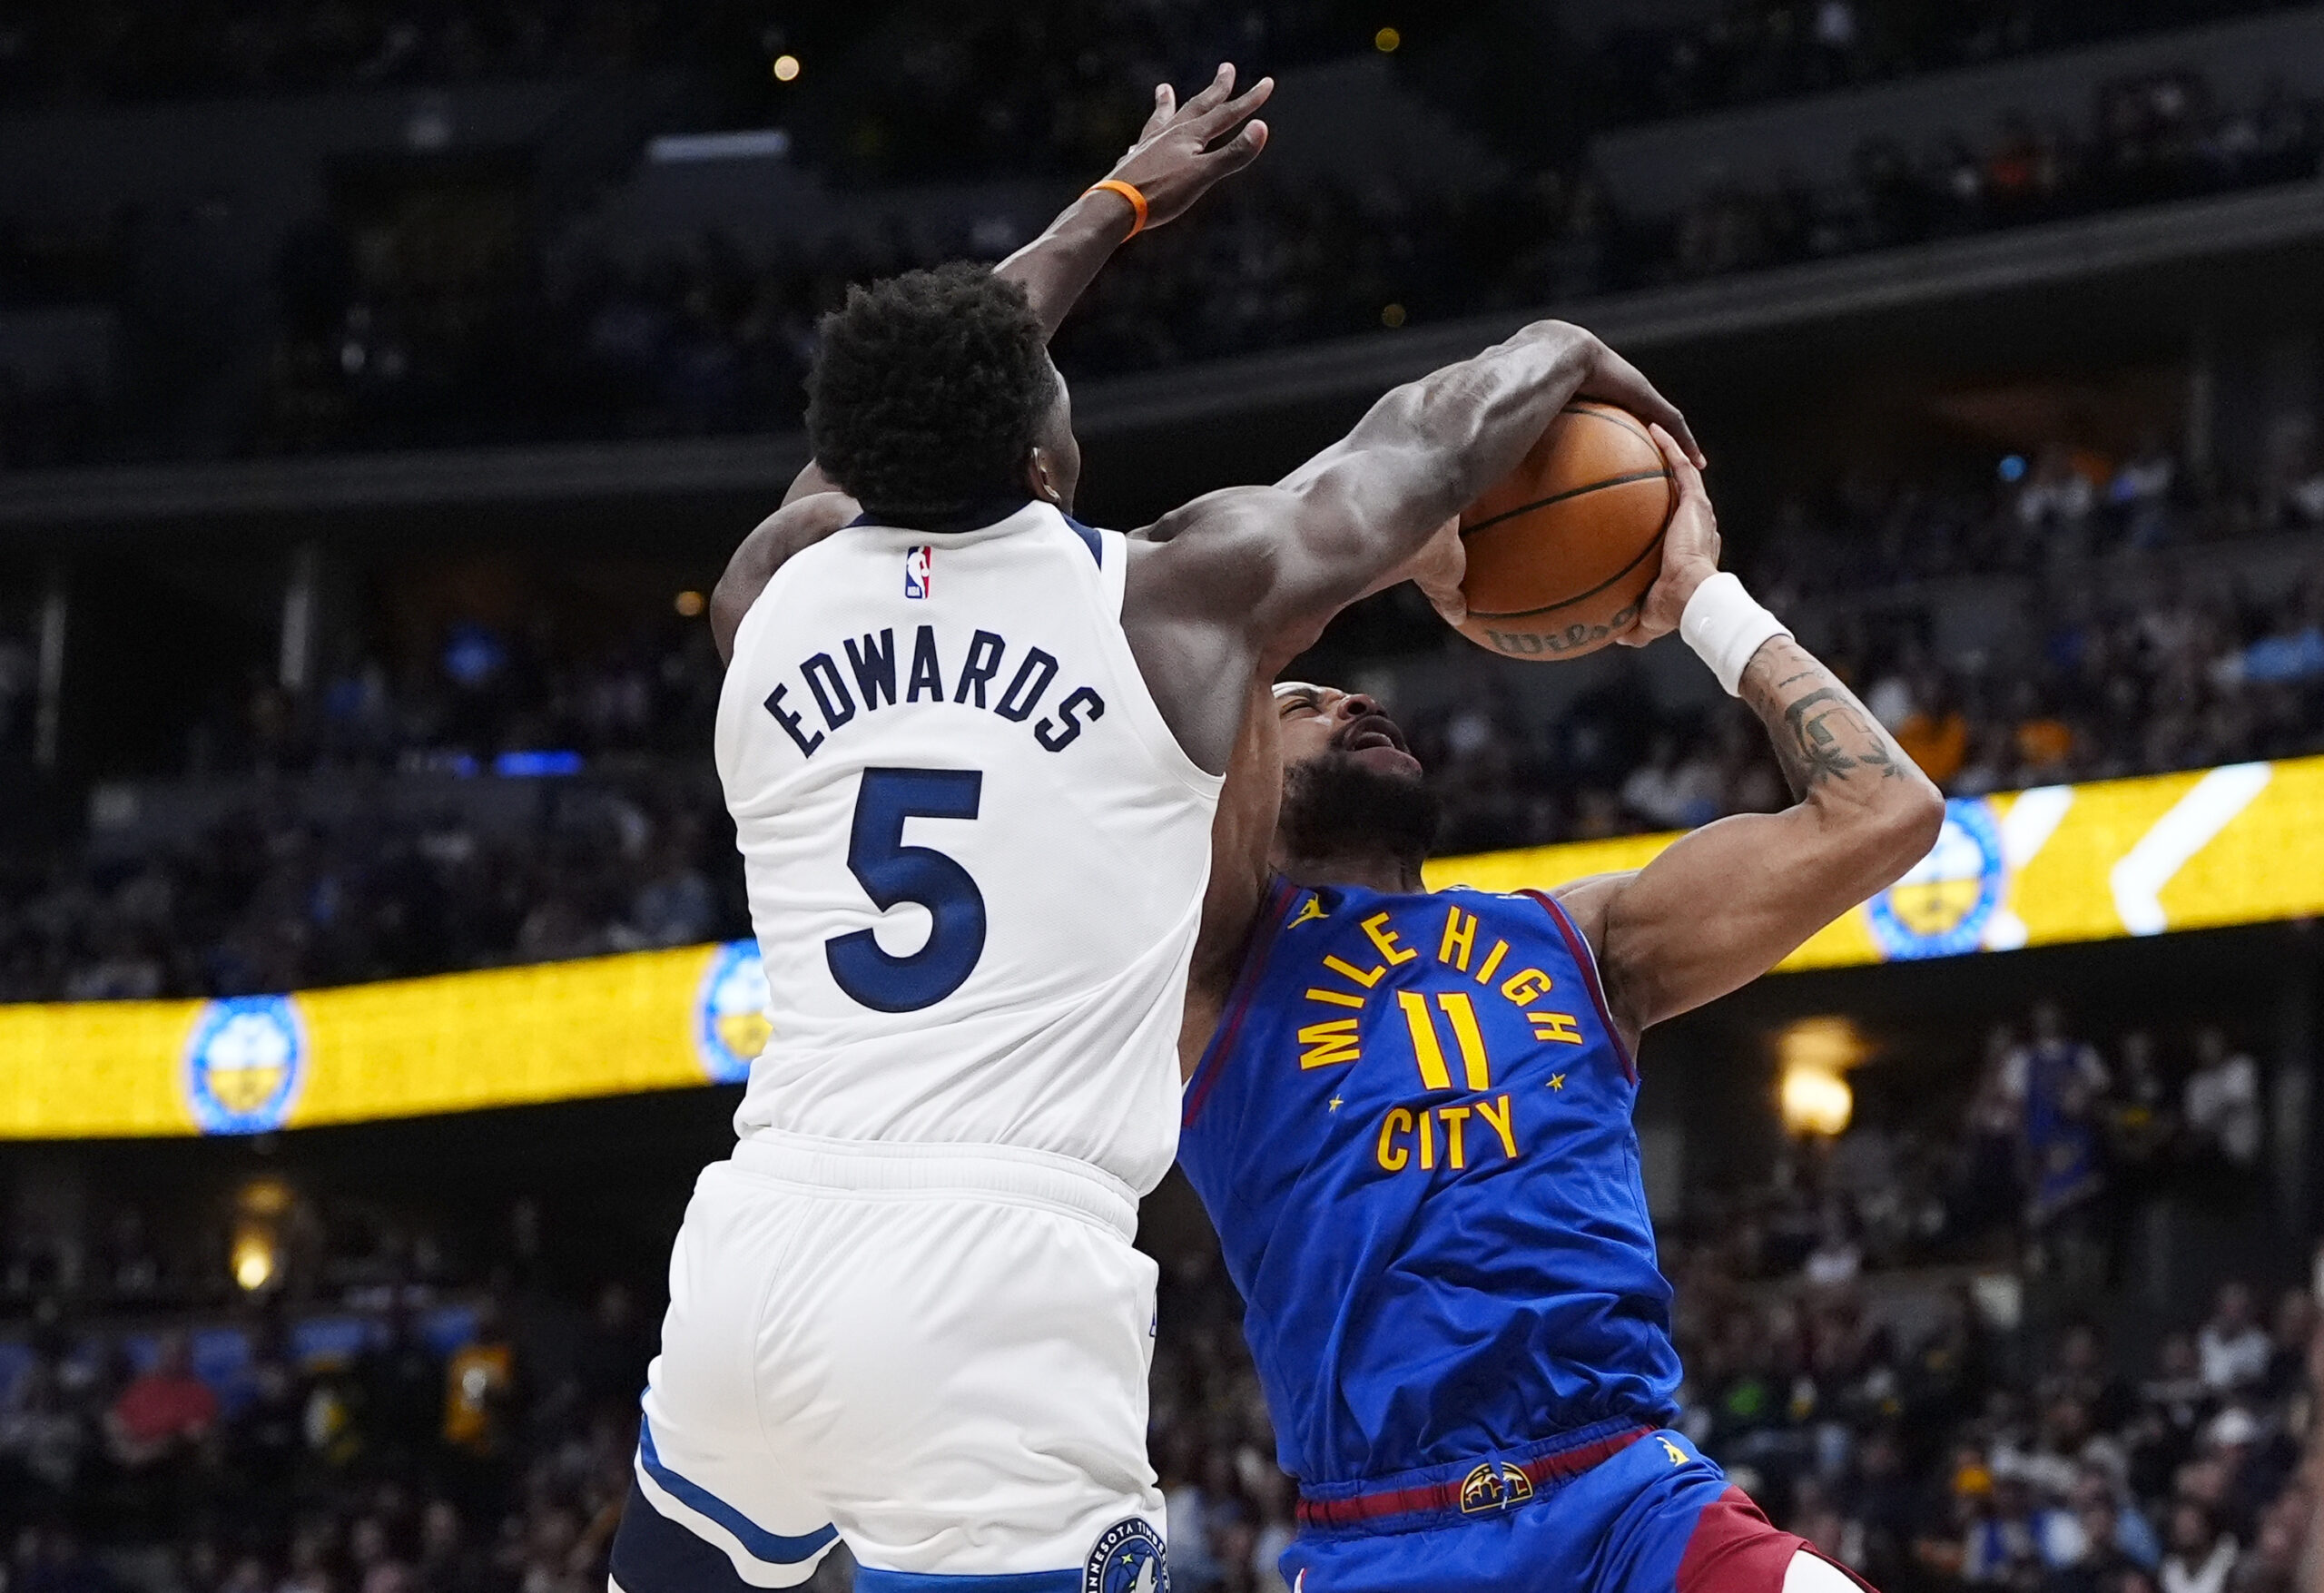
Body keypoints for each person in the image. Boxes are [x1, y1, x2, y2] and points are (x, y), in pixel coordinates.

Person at [610, 65, 1702, 1593]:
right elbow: (1422, 438)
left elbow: (912, 401)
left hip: (760, 1245)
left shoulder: (771, 587)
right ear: (1049, 463)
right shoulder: (1171, 602)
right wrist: (1562, 344)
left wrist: (1107, 211)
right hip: (993, 1283)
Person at [1175, 428, 1942, 1593]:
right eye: (1308, 703)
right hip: (1390, 1535)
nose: (1355, 702)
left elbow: (1884, 811)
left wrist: (1702, 601)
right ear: (1239, 778)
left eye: (1354, 695)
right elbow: (1232, 595)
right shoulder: (1215, 963)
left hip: (1628, 1502)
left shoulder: (1580, 937)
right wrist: (1397, 537)